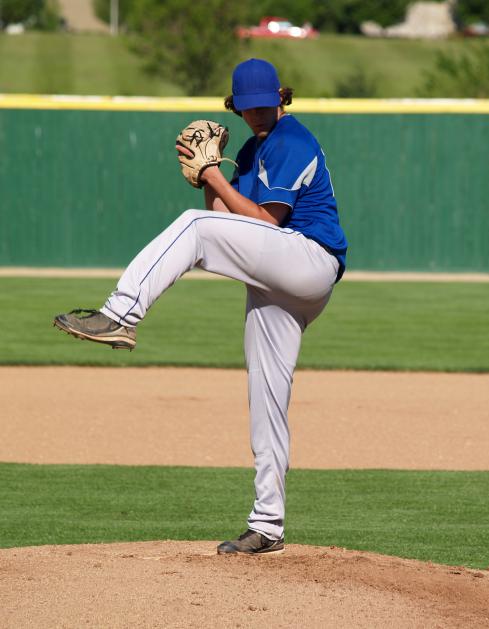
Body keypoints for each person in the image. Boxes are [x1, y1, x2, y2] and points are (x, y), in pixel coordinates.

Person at [54, 58, 347, 555]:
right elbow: (228, 219)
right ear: (235, 106)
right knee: (267, 398)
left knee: (192, 226)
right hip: (276, 274)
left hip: (307, 258)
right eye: (247, 107)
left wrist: (214, 174)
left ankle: (122, 313)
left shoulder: (293, 140)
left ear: (282, 97)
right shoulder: (255, 149)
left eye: (264, 104)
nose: (256, 114)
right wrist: (206, 179)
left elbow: (267, 224)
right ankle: (268, 526)